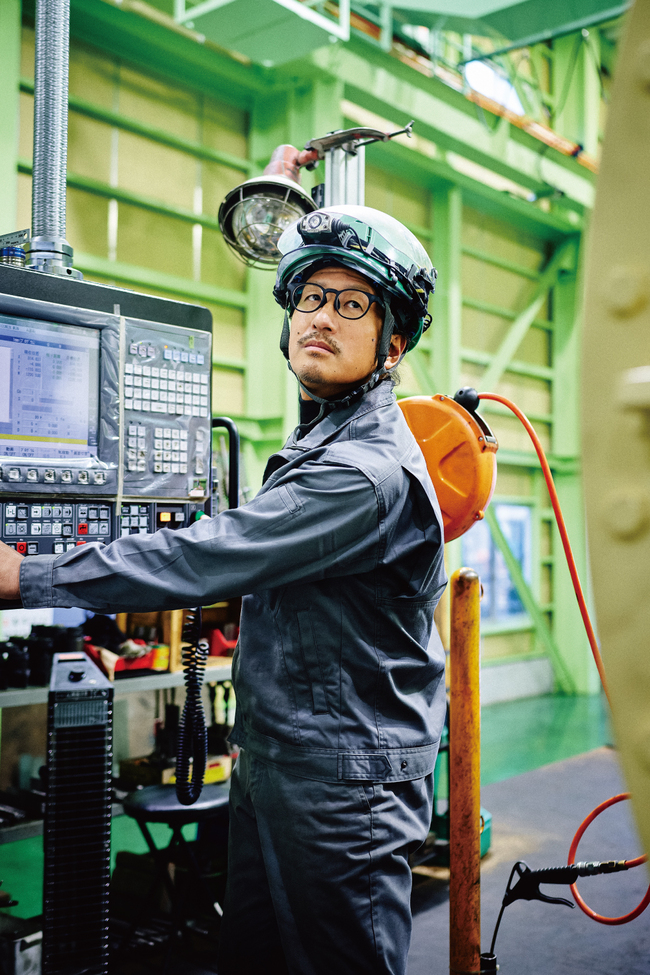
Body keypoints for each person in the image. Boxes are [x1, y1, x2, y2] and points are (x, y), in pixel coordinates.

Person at [0, 205, 447, 975]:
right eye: (309, 296)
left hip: (344, 790)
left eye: (351, 304)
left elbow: (212, 554)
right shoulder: (322, 441)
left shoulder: (362, 473)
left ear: (393, 343)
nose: (321, 316)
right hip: (282, 762)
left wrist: (30, 575)